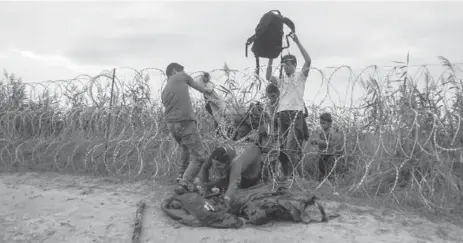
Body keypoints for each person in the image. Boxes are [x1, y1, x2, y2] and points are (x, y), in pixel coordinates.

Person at [265, 33, 311, 186]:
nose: (285, 66)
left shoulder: (300, 76)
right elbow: (267, 76)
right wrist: (272, 56)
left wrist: (297, 41)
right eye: (283, 63)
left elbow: (308, 60)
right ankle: (289, 177)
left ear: (294, 65)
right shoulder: (281, 79)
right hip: (282, 114)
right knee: (284, 148)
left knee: (291, 146)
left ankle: (292, 177)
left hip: (295, 114)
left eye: (288, 64)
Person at [161, 62, 213, 193]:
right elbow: (201, 88)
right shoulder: (180, 76)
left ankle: (181, 177)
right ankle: (185, 183)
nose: (183, 73)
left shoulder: (165, 91)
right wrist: (208, 87)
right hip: (185, 122)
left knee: (185, 149)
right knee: (199, 156)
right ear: (173, 71)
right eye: (180, 71)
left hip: (172, 125)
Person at [197, 144, 262, 208]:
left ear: (227, 162)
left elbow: (233, 183)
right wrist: (204, 184)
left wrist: (226, 201)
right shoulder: (217, 153)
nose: (215, 166)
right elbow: (205, 167)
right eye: (214, 164)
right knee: (211, 185)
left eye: (218, 165)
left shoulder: (236, 164)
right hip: (247, 155)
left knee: (220, 187)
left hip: (250, 178)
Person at [310, 112, 344, 181]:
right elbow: (322, 142)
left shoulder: (331, 132)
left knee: (328, 169)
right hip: (322, 153)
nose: (321, 125)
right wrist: (315, 142)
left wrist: (318, 142)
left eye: (323, 123)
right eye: (321, 123)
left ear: (330, 123)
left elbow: (331, 143)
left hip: (330, 154)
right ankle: (324, 180)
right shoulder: (322, 133)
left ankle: (329, 180)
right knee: (321, 167)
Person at [198, 72, 225, 136]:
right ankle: (219, 134)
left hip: (216, 104)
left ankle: (220, 134)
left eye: (204, 78)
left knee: (218, 118)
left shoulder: (209, 84)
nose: (203, 79)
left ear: (206, 78)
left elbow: (209, 90)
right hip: (212, 104)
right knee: (217, 118)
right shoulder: (205, 84)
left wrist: (203, 88)